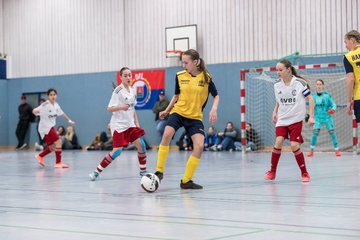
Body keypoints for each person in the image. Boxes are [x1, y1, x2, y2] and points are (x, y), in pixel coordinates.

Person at [154, 49, 220, 189]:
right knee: (166, 134)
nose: (184, 65)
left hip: (195, 117)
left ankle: (186, 181)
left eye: (186, 62)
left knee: (199, 146)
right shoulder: (180, 76)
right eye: (182, 62)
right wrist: (167, 110)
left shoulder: (206, 77)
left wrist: (214, 108)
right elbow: (176, 96)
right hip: (178, 113)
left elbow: (216, 95)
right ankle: (159, 171)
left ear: (195, 62)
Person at [88, 67, 149, 181]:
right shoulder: (117, 91)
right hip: (119, 125)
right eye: (125, 75)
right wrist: (121, 107)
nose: (128, 77)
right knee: (117, 151)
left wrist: (136, 122)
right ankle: (96, 172)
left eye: (129, 75)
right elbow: (109, 108)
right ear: (121, 77)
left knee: (142, 145)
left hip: (130, 124)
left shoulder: (133, 90)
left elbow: (133, 108)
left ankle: (143, 171)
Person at [264, 60, 314, 182]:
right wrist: (274, 111)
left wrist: (311, 116)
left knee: (294, 145)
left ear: (288, 69)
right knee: (278, 142)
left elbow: (311, 99)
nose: (278, 72)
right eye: (277, 70)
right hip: (282, 119)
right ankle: (272, 172)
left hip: (296, 119)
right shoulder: (276, 85)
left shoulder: (300, 83)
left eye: (280, 70)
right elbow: (279, 100)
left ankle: (304, 173)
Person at [32, 88, 75, 168]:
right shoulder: (45, 105)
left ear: (56, 95)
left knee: (53, 147)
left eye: (54, 94)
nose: (53, 96)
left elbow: (62, 113)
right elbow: (35, 110)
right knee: (58, 142)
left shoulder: (56, 105)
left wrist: (69, 120)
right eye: (51, 95)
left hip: (49, 127)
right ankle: (58, 163)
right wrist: (35, 111)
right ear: (48, 96)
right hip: (45, 128)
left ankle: (40, 156)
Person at [308, 79, 340, 157]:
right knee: (315, 133)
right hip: (317, 118)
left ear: (323, 86)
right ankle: (311, 151)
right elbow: (311, 108)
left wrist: (333, 109)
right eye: (317, 84)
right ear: (316, 86)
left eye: (320, 84)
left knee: (332, 133)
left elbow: (334, 104)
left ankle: (337, 150)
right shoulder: (313, 97)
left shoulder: (327, 96)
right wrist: (310, 117)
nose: (319, 86)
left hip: (327, 118)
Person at [343, 30, 360, 152]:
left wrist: (348, 102)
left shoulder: (348, 57)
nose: (345, 45)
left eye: (346, 42)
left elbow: (350, 80)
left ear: (352, 41)